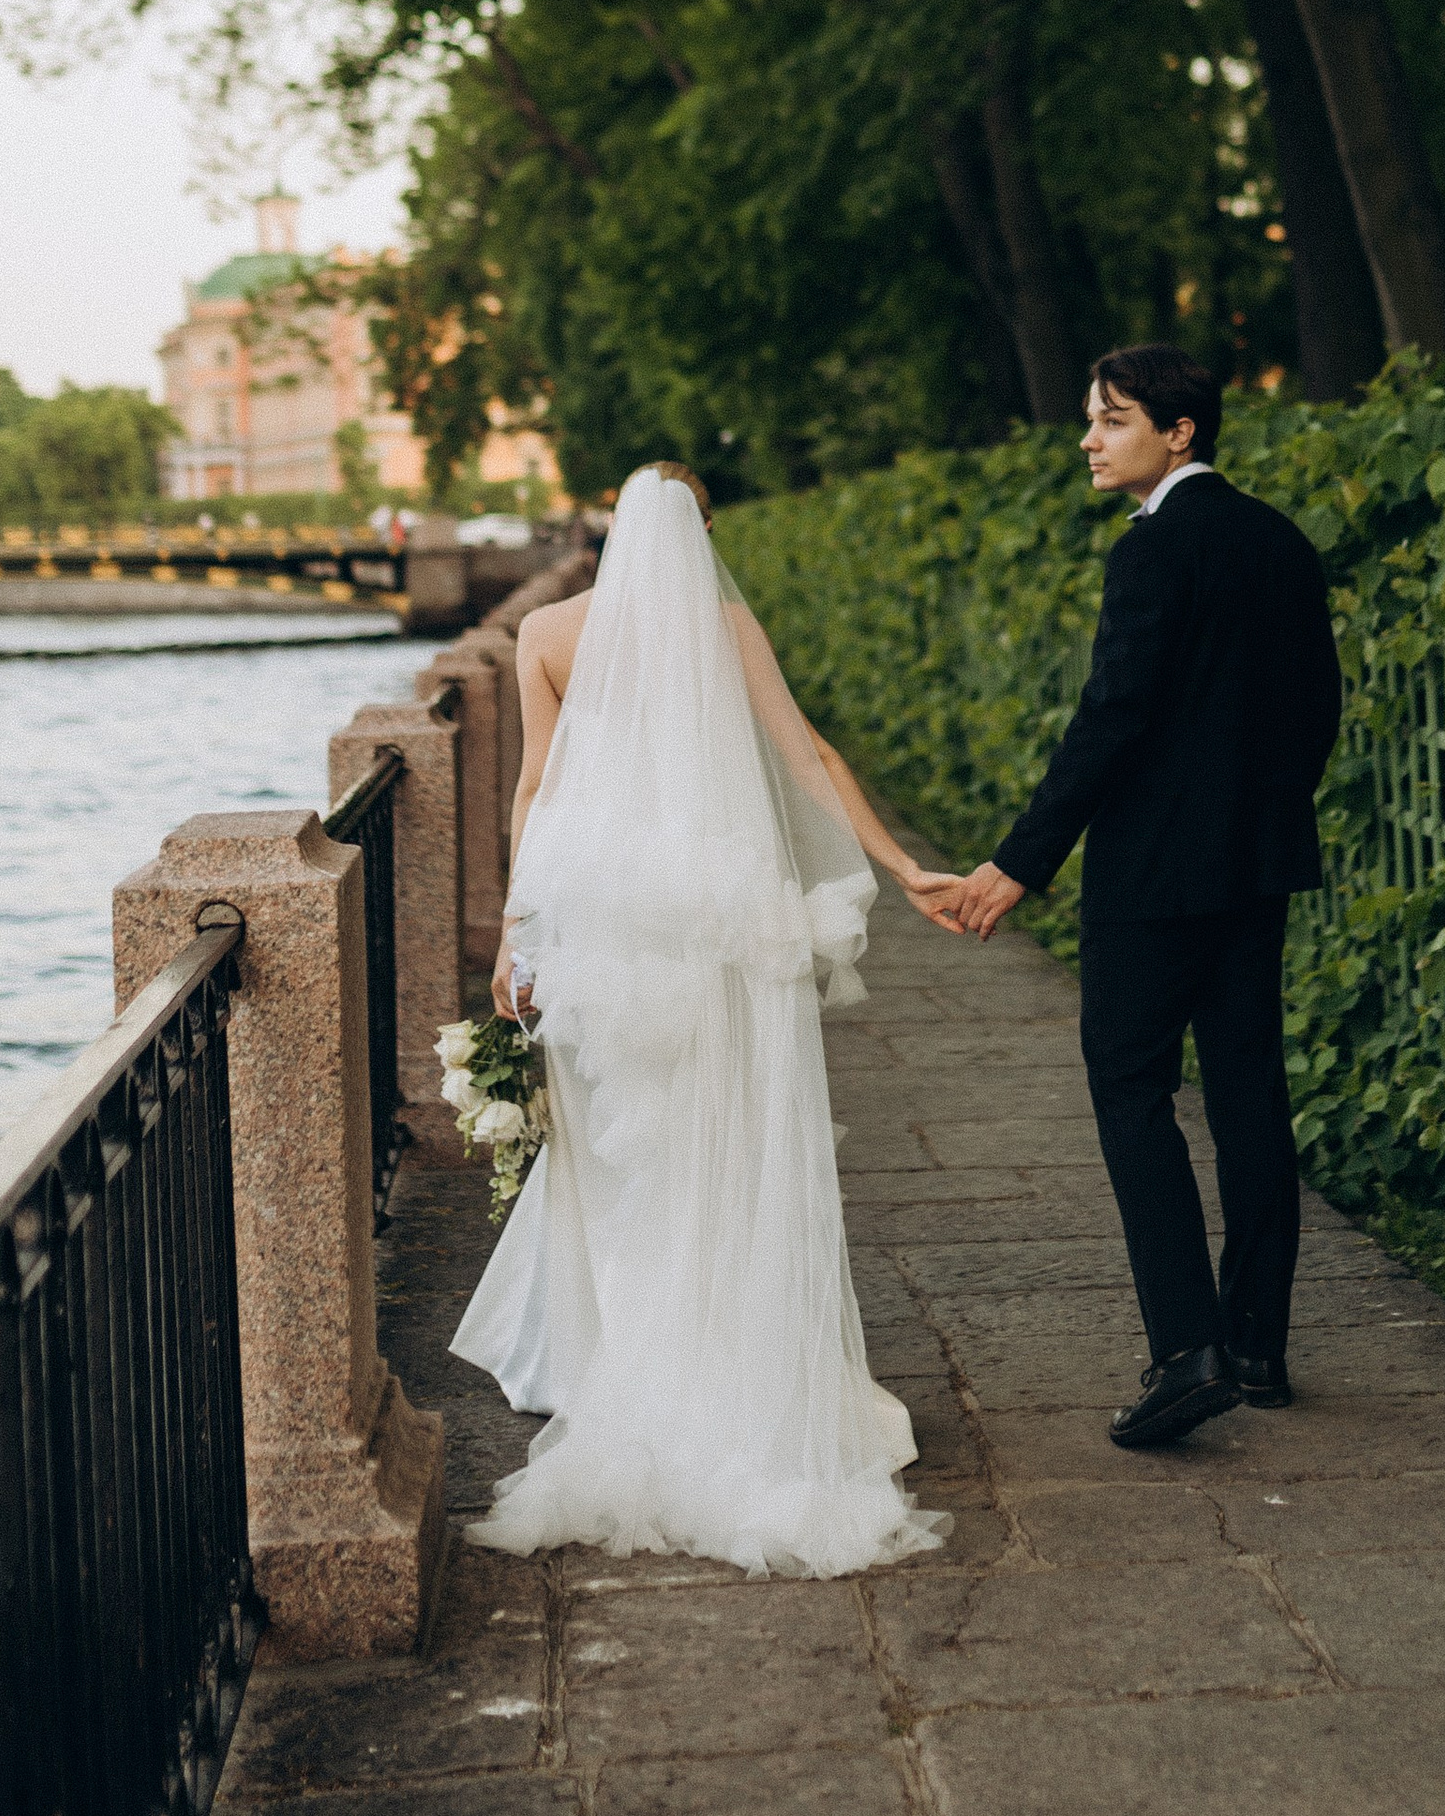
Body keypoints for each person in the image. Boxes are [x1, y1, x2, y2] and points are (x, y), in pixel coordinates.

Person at [450, 460, 957, 1575]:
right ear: (705, 535)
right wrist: (904, 866)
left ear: (609, 535)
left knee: (630, 1167)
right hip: (726, 927)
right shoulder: (725, 626)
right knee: (729, 1149)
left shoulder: (547, 636)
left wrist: (513, 932)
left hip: (604, 934)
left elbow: (537, 788)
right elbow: (808, 755)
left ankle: (635, 1378)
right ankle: (748, 1381)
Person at [929, 346, 1343, 1450]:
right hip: (1256, 866)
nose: (1089, 440)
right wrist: (1259, 813)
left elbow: (1111, 720)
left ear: (1180, 434)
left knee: (1130, 1090)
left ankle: (1185, 1349)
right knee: (1251, 1089)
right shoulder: (1281, 542)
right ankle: (1255, 1344)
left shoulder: (1156, 551)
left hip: (1153, 876)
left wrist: (1016, 864)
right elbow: (1317, 712)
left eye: (1111, 421)